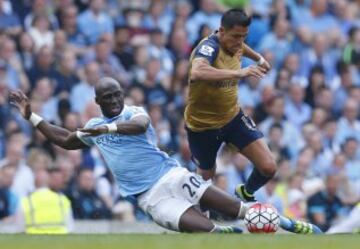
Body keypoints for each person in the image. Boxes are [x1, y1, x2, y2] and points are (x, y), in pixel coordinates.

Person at [9, 77, 321, 234]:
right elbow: (64, 138)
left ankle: (287, 224)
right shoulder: (93, 127)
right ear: (97, 101)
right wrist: (31, 116)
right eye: (108, 97)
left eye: (117, 94)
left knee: (237, 208)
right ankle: (235, 234)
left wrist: (108, 130)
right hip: (150, 199)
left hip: (173, 176)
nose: (115, 100)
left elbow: (139, 125)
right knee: (208, 232)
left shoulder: (132, 113)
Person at [184, 8, 274, 202]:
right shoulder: (209, 47)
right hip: (202, 125)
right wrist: (238, 73)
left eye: (244, 36)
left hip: (232, 118)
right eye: (235, 36)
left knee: (268, 167)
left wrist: (259, 58)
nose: (239, 42)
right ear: (221, 31)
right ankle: (203, 221)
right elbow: (197, 72)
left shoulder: (235, 42)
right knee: (206, 178)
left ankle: (245, 192)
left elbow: (241, 46)